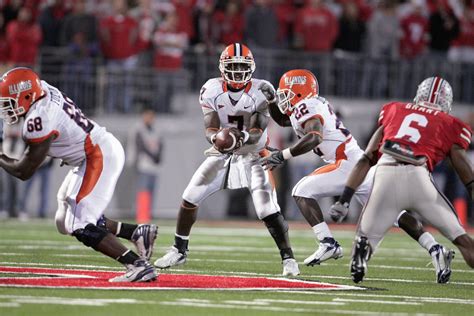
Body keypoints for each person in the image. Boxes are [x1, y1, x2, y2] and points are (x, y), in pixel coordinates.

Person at [261, 69, 448, 272]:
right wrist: (271, 101)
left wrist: (283, 155)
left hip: (346, 163)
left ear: (298, 92)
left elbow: (315, 136)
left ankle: (327, 242)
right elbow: (283, 120)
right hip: (357, 162)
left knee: (301, 191)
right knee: (394, 213)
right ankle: (435, 248)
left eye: (285, 94)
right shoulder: (308, 106)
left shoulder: (307, 105)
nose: (283, 99)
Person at [154, 43, 299, 276]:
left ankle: (288, 258)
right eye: (234, 67)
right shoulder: (211, 89)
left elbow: (258, 130)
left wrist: (240, 136)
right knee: (190, 196)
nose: (238, 72)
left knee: (266, 208)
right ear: (223, 68)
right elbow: (210, 127)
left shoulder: (261, 89)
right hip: (223, 152)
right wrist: (218, 139)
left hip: (254, 153)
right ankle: (179, 250)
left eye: (243, 67)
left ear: (251, 68)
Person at [0, 67, 158, 282]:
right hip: (90, 154)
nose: (7, 109)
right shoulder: (42, 90)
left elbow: (24, 170)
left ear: (28, 96)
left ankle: (137, 265)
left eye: (10, 102)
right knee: (64, 221)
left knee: (79, 225)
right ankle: (134, 232)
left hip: (98, 155)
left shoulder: (39, 118)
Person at [331, 76, 474, 284]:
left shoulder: (394, 109)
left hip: (385, 174)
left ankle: (361, 254)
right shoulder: (450, 123)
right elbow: (465, 172)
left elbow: (367, 156)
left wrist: (344, 200)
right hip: (418, 177)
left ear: (419, 95)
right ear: (447, 103)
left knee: (365, 242)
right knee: (463, 241)